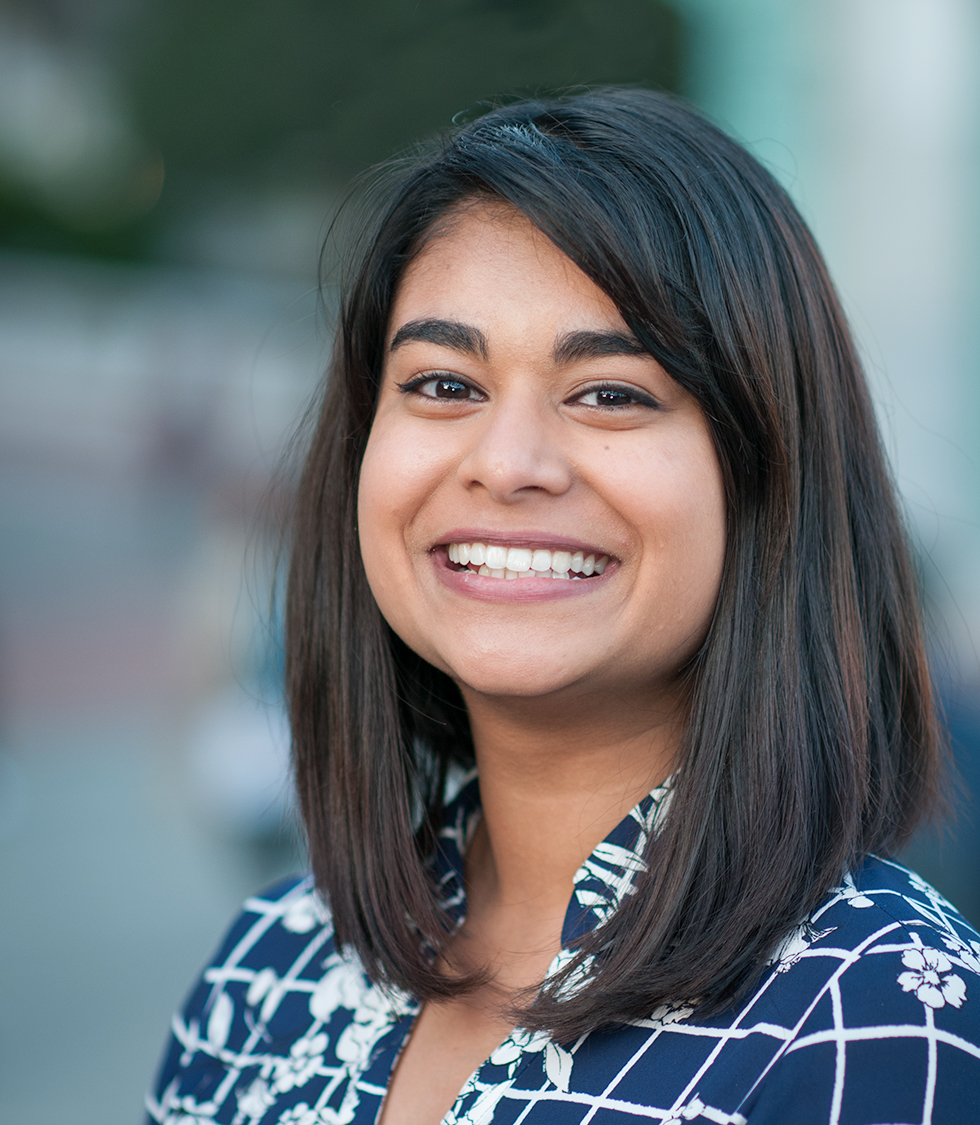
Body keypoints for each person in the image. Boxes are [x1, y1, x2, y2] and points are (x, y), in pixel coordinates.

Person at [145, 90, 980, 1125]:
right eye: (444, 385)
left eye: (611, 394)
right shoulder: (268, 969)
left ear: (765, 471)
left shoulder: (878, 1017)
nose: (507, 464)